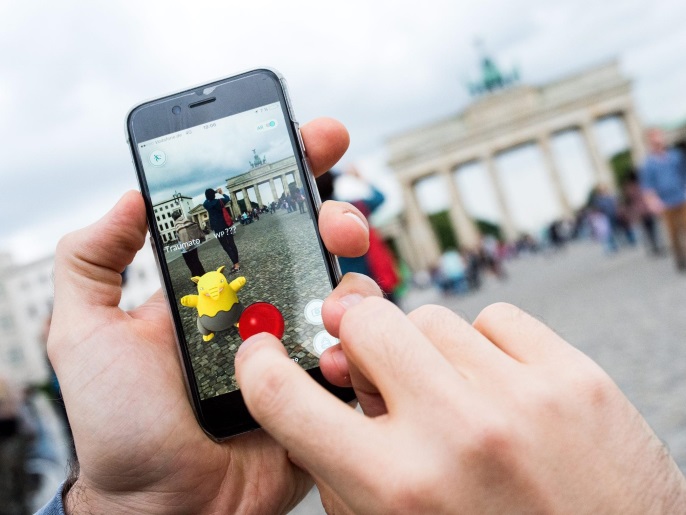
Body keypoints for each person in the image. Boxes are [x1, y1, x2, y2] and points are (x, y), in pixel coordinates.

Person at [39, 118, 686, 514]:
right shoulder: (296, 199)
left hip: (362, 284)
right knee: (361, 331)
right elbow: (369, 198)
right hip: (363, 288)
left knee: (357, 327)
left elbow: (366, 202)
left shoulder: (319, 199)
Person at [640, 127, 686, 270]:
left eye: (659, 136)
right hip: (665, 203)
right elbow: (647, 187)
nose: (658, 140)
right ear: (649, 142)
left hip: (681, 197)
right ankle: (680, 260)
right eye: (654, 138)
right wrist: (653, 202)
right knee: (673, 234)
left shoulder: (676, 156)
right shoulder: (648, 164)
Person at [203, 187, 240, 273]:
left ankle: (236, 265)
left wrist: (212, 194)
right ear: (214, 195)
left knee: (226, 246)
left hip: (217, 228)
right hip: (225, 225)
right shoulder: (220, 201)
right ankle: (236, 263)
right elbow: (227, 198)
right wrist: (220, 192)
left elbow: (205, 201)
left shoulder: (207, 205)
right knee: (232, 244)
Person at [171, 210, 206, 277]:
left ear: (174, 218)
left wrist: (186, 245)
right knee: (196, 260)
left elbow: (181, 234)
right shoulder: (187, 220)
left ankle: (195, 277)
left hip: (185, 248)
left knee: (190, 263)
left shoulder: (178, 224)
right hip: (193, 245)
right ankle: (202, 274)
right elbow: (195, 227)